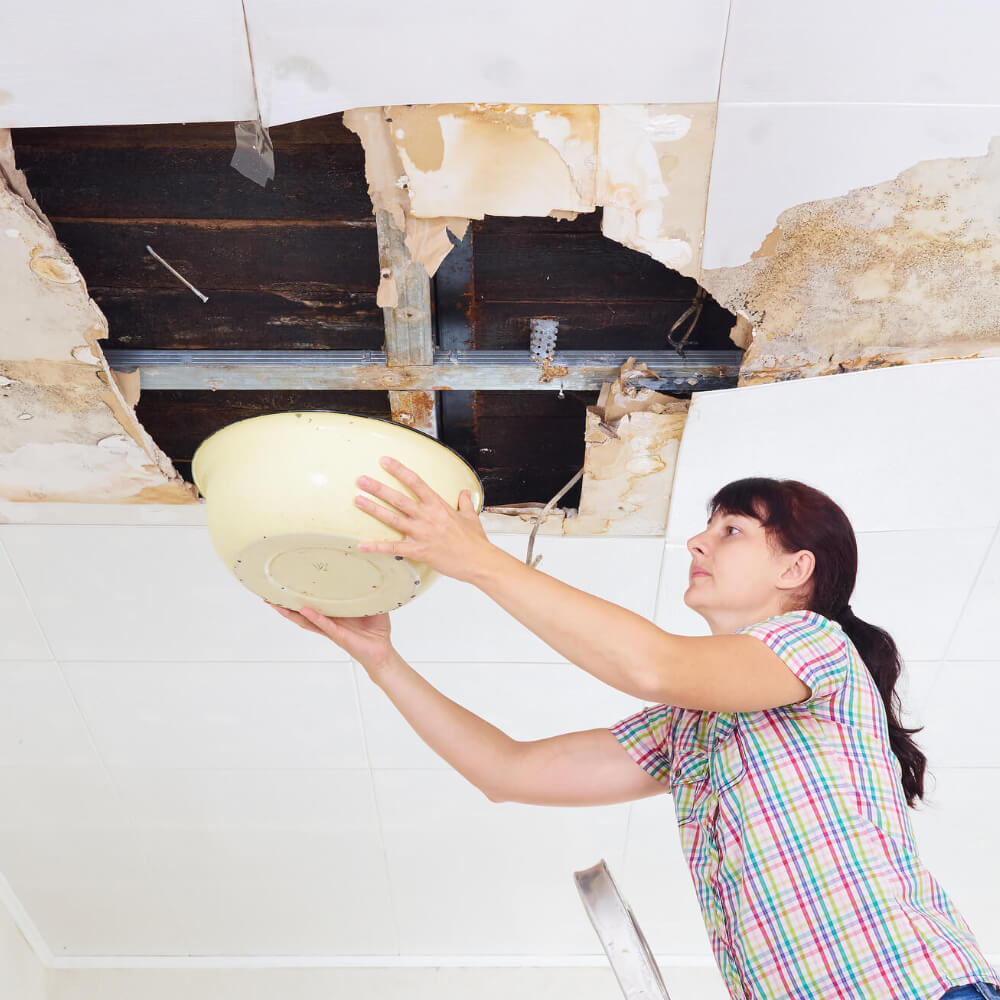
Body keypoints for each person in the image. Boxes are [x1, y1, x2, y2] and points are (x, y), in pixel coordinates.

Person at [270, 455, 999, 1000]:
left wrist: (480, 562)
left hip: (913, 983)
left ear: (796, 568)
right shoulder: (689, 726)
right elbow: (507, 772)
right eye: (706, 528)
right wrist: (381, 659)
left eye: (731, 529)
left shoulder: (817, 646)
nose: (697, 543)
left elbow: (651, 664)